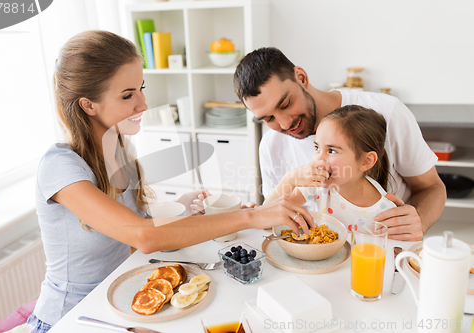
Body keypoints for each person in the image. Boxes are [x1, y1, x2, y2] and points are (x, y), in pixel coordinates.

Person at [26, 31, 311, 332]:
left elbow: (130, 228)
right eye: (127, 95)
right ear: (88, 105)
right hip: (73, 318)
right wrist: (251, 217)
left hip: (122, 302)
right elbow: (143, 237)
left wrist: (178, 208)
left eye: (141, 89)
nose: (143, 104)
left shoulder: (120, 149)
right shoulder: (60, 167)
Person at [234, 47, 446, 241]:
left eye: (286, 104)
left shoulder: (387, 112)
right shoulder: (270, 145)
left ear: (301, 77)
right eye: (268, 119)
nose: (285, 123)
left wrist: (418, 221)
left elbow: (432, 187)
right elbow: (272, 214)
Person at [264, 105, 397, 227]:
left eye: (332, 151)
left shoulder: (385, 211)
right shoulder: (316, 186)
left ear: (366, 161)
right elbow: (266, 219)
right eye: (316, 147)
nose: (318, 159)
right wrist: (289, 179)